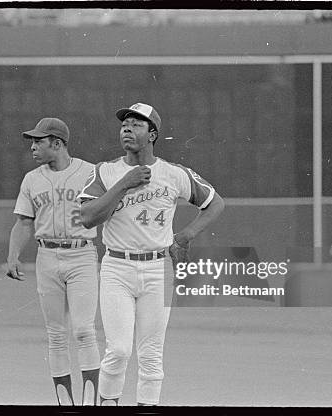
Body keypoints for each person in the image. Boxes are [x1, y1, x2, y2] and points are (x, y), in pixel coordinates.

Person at [78, 103, 225, 405]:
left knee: (151, 357)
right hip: (117, 268)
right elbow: (88, 217)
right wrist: (124, 183)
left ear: (153, 134)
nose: (127, 129)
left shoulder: (173, 174)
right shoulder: (106, 172)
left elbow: (215, 203)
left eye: (136, 124)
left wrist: (185, 235)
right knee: (118, 350)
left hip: (158, 270)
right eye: (124, 125)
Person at [6, 117, 101, 406]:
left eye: (38, 141)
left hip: (82, 253)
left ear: (57, 143)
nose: (32, 147)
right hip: (46, 255)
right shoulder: (32, 179)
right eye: (32, 141)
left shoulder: (89, 172)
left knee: (84, 330)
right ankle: (65, 403)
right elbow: (23, 222)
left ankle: (90, 402)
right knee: (56, 334)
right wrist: (13, 255)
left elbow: (108, 209)